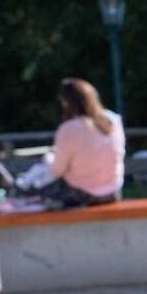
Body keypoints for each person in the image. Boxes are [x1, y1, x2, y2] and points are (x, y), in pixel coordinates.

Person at [14, 78, 124, 208]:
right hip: (113, 192)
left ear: (67, 102)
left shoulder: (69, 129)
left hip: (82, 195)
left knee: (39, 178)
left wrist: (49, 159)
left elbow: (57, 171)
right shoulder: (114, 120)